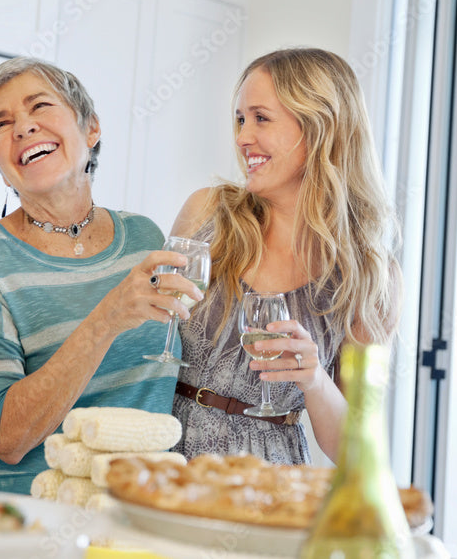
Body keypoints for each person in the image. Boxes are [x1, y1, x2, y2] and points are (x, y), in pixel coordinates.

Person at [0, 56, 202, 494]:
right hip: (34, 520)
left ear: (91, 129)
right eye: (1, 124)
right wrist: (108, 318)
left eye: (40, 106)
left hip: (136, 512)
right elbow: (5, 438)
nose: (23, 127)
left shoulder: (144, 236)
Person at [169, 48, 401, 465]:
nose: (242, 137)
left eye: (261, 118)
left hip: (268, 480)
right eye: (240, 119)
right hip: (165, 460)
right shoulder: (206, 214)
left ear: (320, 128)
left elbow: (356, 450)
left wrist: (314, 380)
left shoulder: (368, 274)